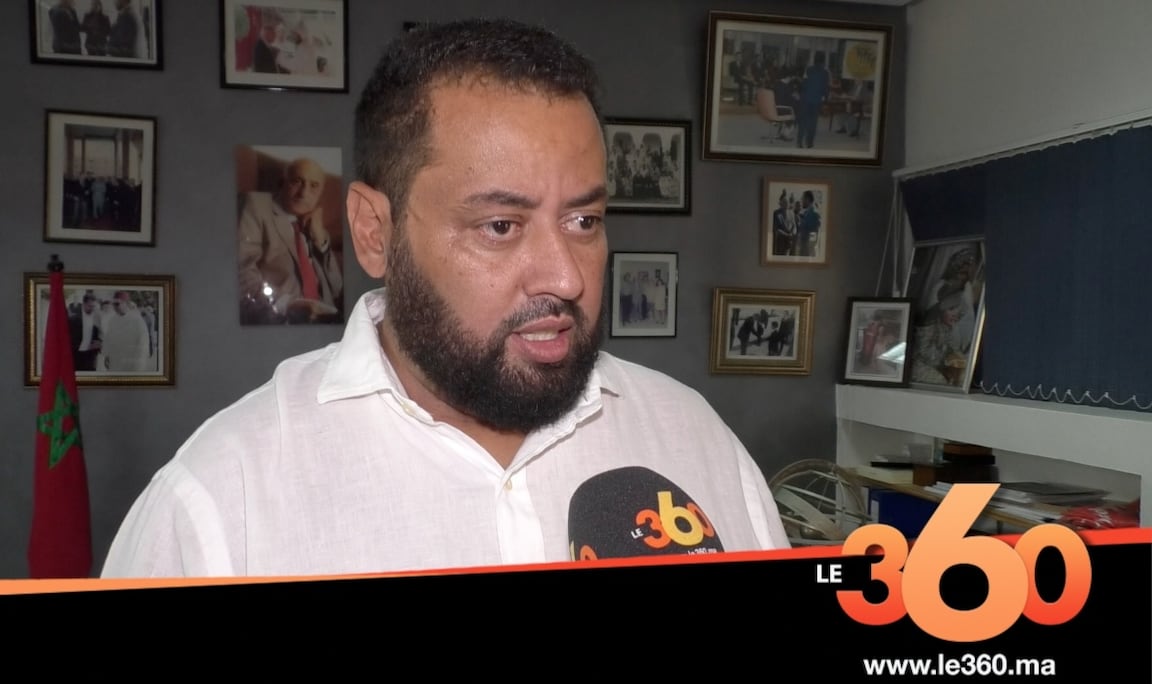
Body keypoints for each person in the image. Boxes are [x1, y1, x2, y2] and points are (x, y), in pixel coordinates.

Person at [101, 18, 788, 578]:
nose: (566, 278)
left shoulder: (696, 438)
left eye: (584, 220)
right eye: (501, 226)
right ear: (374, 232)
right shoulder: (222, 502)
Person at [237, 157, 344, 324]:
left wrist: (321, 241)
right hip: (282, 316)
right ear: (283, 182)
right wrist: (287, 304)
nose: (304, 193)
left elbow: (337, 288)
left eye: (314, 186)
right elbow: (241, 269)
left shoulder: (313, 226)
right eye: (297, 182)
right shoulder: (257, 205)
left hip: (328, 316)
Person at [100, 291, 151, 372]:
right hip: (115, 362)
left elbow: (143, 345)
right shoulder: (112, 320)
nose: (115, 307)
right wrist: (107, 355)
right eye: (113, 304)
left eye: (117, 304)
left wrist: (138, 366)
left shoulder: (137, 321)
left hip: (130, 363)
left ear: (126, 303)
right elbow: (108, 339)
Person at [794, 53, 830, 149]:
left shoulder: (808, 70)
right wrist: (825, 98)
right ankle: (809, 143)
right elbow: (825, 88)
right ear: (823, 62)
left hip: (805, 99)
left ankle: (799, 142)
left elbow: (804, 84)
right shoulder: (825, 73)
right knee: (813, 122)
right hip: (816, 100)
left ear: (814, 60)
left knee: (803, 121)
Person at [69, 291, 103, 372]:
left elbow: (100, 334)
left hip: (90, 357)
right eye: (89, 306)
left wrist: (99, 343)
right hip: (76, 356)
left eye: (93, 306)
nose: (92, 309)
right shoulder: (73, 318)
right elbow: (69, 339)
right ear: (84, 304)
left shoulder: (97, 318)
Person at [795, 190, 822, 257]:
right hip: (804, 250)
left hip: (807, 252)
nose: (801, 201)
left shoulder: (814, 213)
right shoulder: (806, 213)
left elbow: (812, 235)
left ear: (807, 199)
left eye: (803, 199)